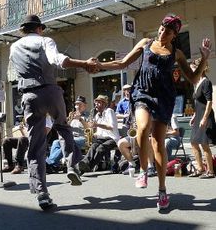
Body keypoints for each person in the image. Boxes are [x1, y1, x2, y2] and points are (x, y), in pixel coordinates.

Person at [96, 13, 211, 210]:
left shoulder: (177, 53)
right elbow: (123, 63)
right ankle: (143, 169)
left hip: (164, 98)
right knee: (142, 127)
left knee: (158, 144)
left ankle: (162, 189)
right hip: (142, 92)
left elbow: (193, 78)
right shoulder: (145, 42)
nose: (162, 31)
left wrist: (204, 58)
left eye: (168, 30)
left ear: (174, 34)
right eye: (162, 26)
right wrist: (100, 65)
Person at [9, 14, 97, 210]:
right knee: (63, 127)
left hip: (29, 96)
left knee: (36, 145)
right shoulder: (45, 40)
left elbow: (15, 72)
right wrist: (84, 64)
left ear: (24, 30)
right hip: (50, 90)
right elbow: (57, 60)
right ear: (39, 28)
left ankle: (42, 193)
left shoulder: (14, 47)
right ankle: (71, 165)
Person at [46, 96, 89, 173]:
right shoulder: (71, 115)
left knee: (67, 143)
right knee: (56, 142)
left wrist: (80, 119)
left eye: (80, 104)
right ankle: (54, 165)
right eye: (76, 105)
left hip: (82, 138)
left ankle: (49, 162)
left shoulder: (87, 115)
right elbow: (65, 127)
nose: (77, 106)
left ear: (84, 106)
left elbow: (89, 128)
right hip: (70, 137)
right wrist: (70, 119)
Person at [78, 95, 120, 174]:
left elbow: (111, 127)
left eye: (98, 103)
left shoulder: (109, 111)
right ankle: (84, 163)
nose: (96, 105)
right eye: (95, 103)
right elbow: (99, 131)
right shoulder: (97, 115)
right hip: (101, 139)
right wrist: (93, 134)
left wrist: (97, 125)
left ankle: (86, 168)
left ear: (104, 104)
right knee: (93, 146)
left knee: (101, 148)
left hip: (112, 138)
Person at [189, 58, 215, 179]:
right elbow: (198, 102)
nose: (192, 71)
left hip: (206, 116)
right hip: (198, 115)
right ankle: (200, 168)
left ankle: (210, 171)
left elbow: (209, 102)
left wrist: (204, 118)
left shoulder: (206, 82)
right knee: (194, 142)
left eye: (193, 69)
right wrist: (194, 115)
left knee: (204, 144)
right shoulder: (197, 83)